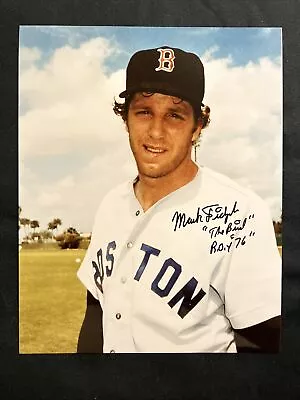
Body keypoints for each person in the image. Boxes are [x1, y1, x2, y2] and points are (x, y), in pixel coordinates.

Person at [77, 46, 281, 353]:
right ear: (126, 120)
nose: (156, 131)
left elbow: (265, 343)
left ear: (196, 128)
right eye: (144, 112)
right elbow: (97, 310)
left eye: (174, 115)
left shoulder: (239, 212)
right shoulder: (111, 204)